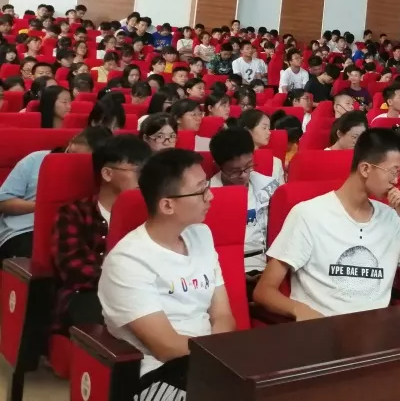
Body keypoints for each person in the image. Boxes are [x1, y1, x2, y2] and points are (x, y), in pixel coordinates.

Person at [97, 149, 235, 397]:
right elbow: (166, 347)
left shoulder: (201, 235)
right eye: (201, 190)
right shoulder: (128, 260)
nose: (211, 196)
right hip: (159, 373)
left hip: (211, 361)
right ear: (167, 205)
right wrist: (219, 359)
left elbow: (223, 314)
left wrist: (222, 362)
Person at [254, 129, 400, 319]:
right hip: (324, 327)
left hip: (377, 330)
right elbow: (264, 291)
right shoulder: (308, 215)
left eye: (399, 171)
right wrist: (299, 310)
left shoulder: (391, 218)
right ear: (365, 169)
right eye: (392, 171)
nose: (396, 180)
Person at [51, 135, 152, 334]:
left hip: (142, 293)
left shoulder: (151, 214)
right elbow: (74, 268)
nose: (144, 179)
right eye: (138, 171)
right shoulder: (74, 213)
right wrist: (126, 285)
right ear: (107, 173)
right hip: (90, 293)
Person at [0, 128, 113, 261]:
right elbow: (3, 202)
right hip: (27, 230)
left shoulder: (100, 172)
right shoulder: (36, 159)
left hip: (76, 232)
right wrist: (44, 206)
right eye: (74, 154)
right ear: (72, 143)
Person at [209, 125, 280, 274]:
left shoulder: (269, 186)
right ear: (219, 166)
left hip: (264, 263)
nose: (243, 175)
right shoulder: (208, 195)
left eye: (248, 166)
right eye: (235, 171)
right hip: (221, 267)